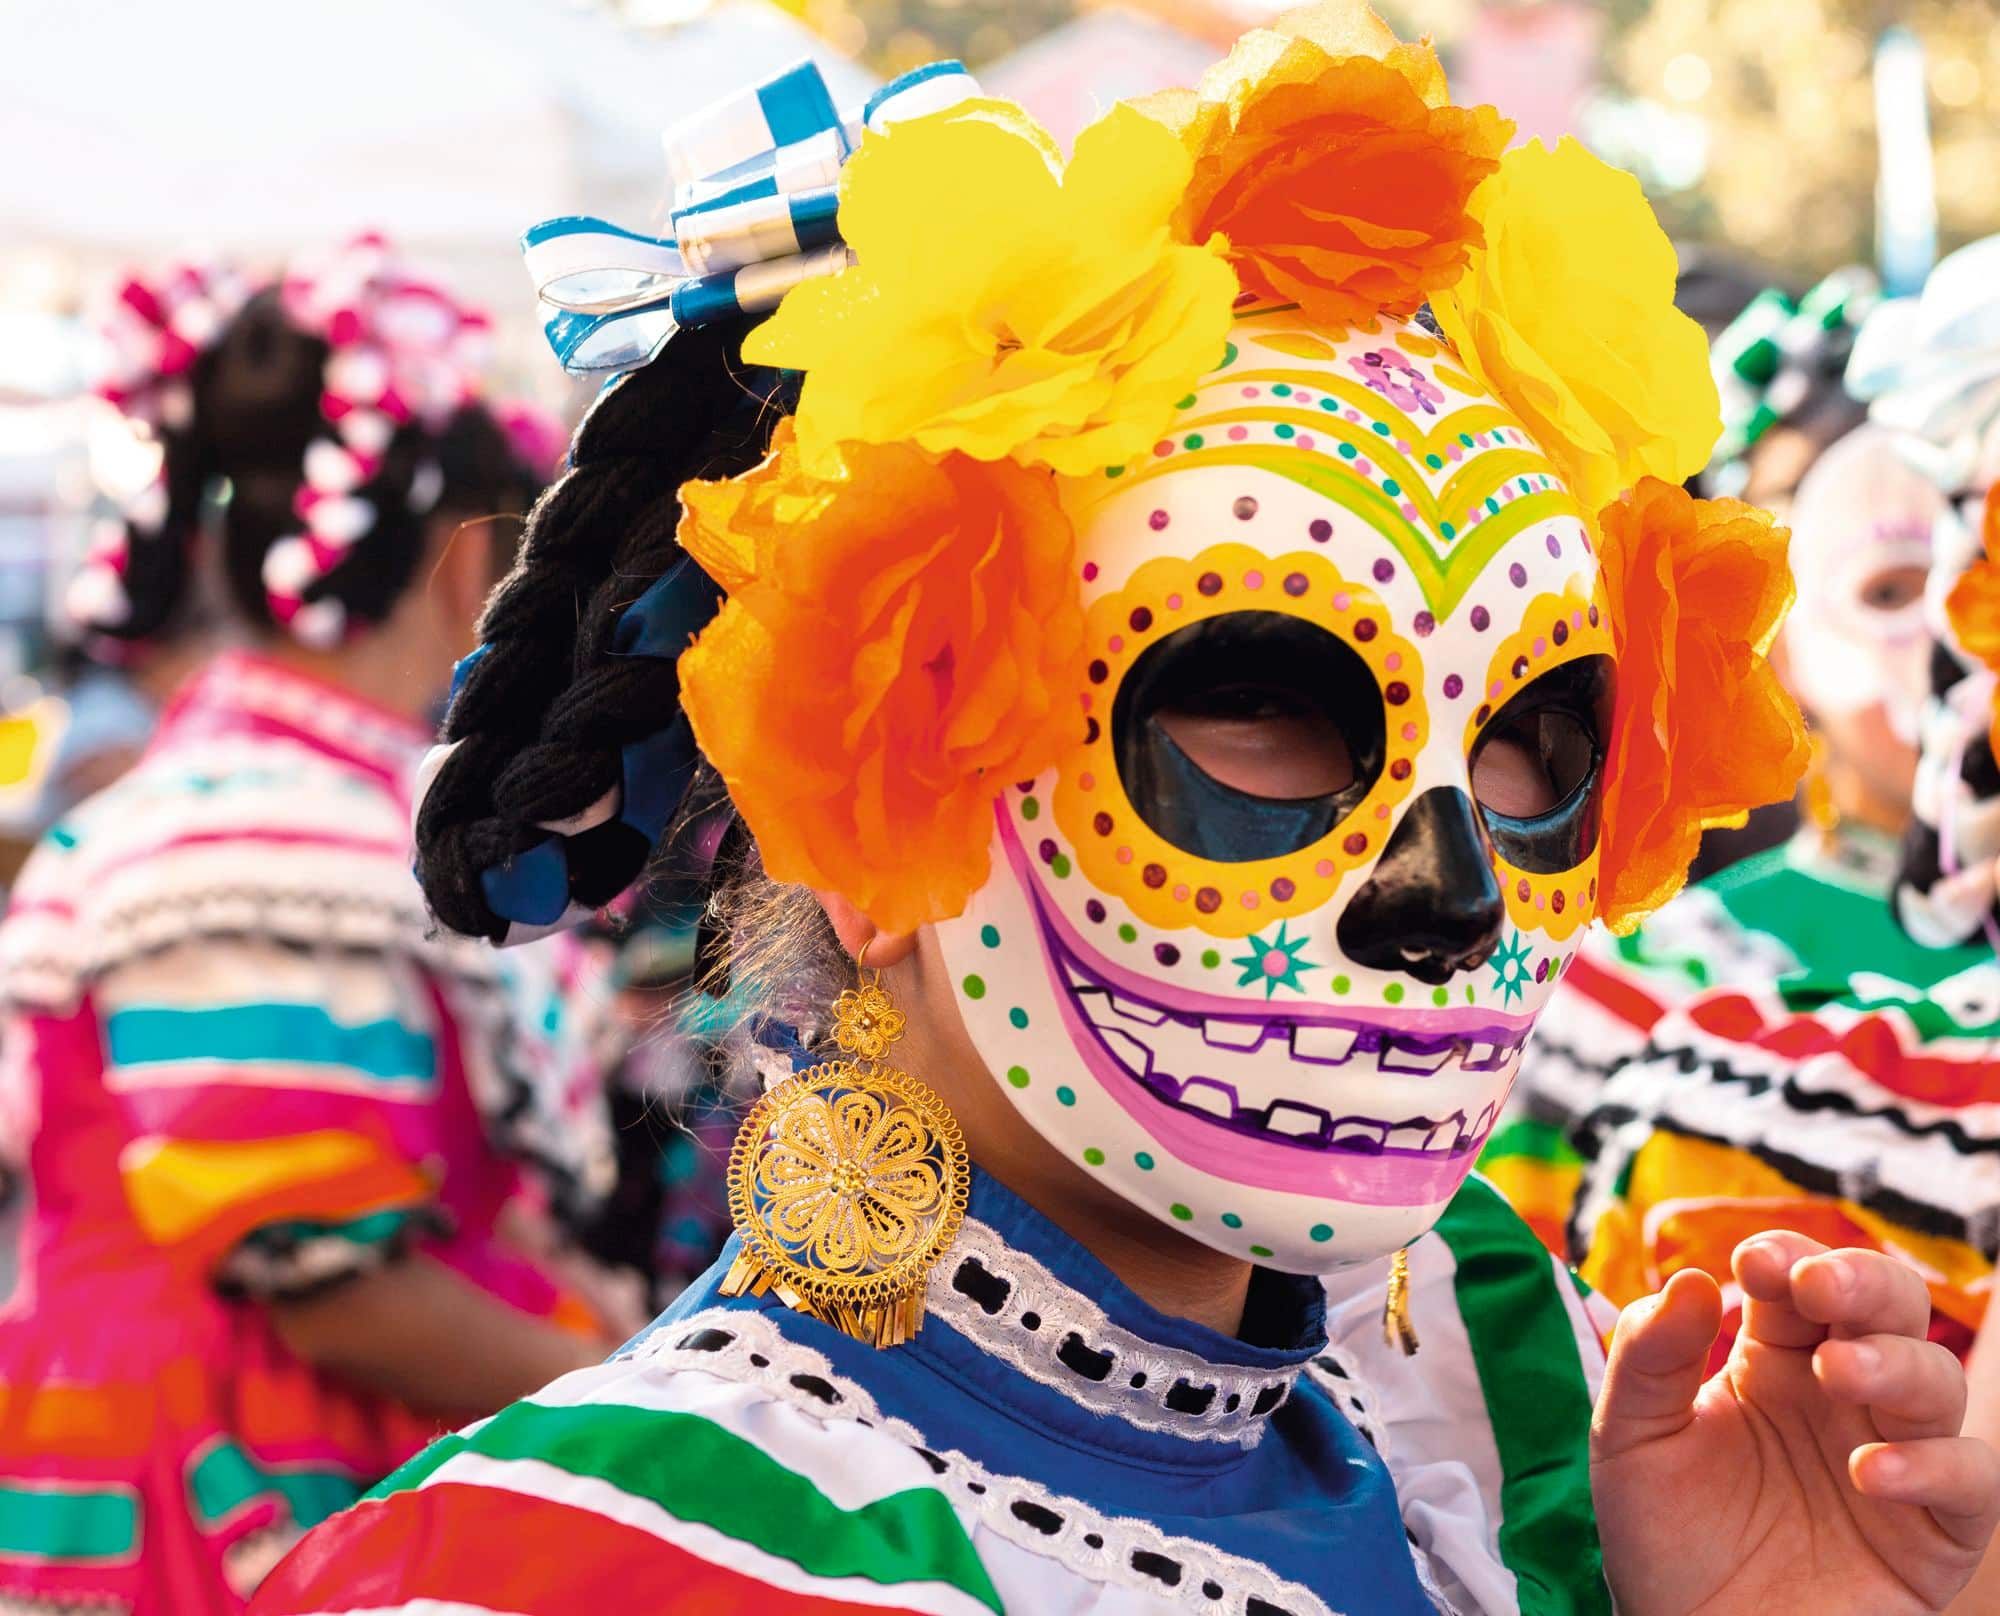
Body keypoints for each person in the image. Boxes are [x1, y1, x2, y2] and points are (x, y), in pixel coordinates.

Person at [255, 13, 2000, 1614]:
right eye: (1263, 705)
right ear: (879, 802)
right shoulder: (583, 1565)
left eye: (1537, 735)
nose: (1451, 889)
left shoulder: (1526, 1406)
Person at [0, 239, 623, 1615]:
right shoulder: (269, 837)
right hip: (248, 1503)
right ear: (471, 564)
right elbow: (323, 1279)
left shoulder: (233, 806)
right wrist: (646, 1405)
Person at [1483, 423, 1952, 1256]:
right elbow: (1521, 1300)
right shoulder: (1660, 972)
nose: (1949, 646)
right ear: (1792, 651)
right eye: (1892, 592)